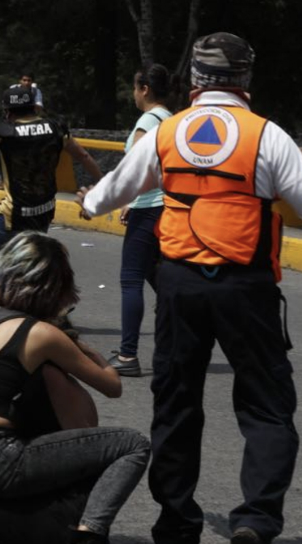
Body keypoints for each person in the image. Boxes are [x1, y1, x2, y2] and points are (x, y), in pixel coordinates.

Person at [78, 32, 302, 544]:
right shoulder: (267, 135)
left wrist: (89, 201)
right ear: (245, 79)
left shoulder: (167, 132)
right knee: (266, 403)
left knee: (176, 403)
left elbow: (105, 196)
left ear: (194, 79)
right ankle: (255, 519)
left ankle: (176, 523)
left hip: (179, 283)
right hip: (246, 284)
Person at [0, 232, 150, 544]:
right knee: (133, 444)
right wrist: (79, 344)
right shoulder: (41, 333)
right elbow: (112, 385)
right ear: (52, 286)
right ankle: (89, 535)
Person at [0, 86, 103, 308]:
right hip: (44, 209)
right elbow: (83, 155)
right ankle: (35, 306)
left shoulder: (4, 132)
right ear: (34, 107)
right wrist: (103, 184)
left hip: (12, 213)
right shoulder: (56, 128)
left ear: (8, 112)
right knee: (31, 258)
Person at [109, 64, 174, 378]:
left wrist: (126, 200)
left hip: (148, 208)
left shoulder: (147, 121)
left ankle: (127, 355)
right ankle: (174, 346)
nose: (133, 94)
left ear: (145, 89)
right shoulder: (172, 120)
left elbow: (135, 169)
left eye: (135, 88)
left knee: (131, 279)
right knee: (162, 280)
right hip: (167, 208)